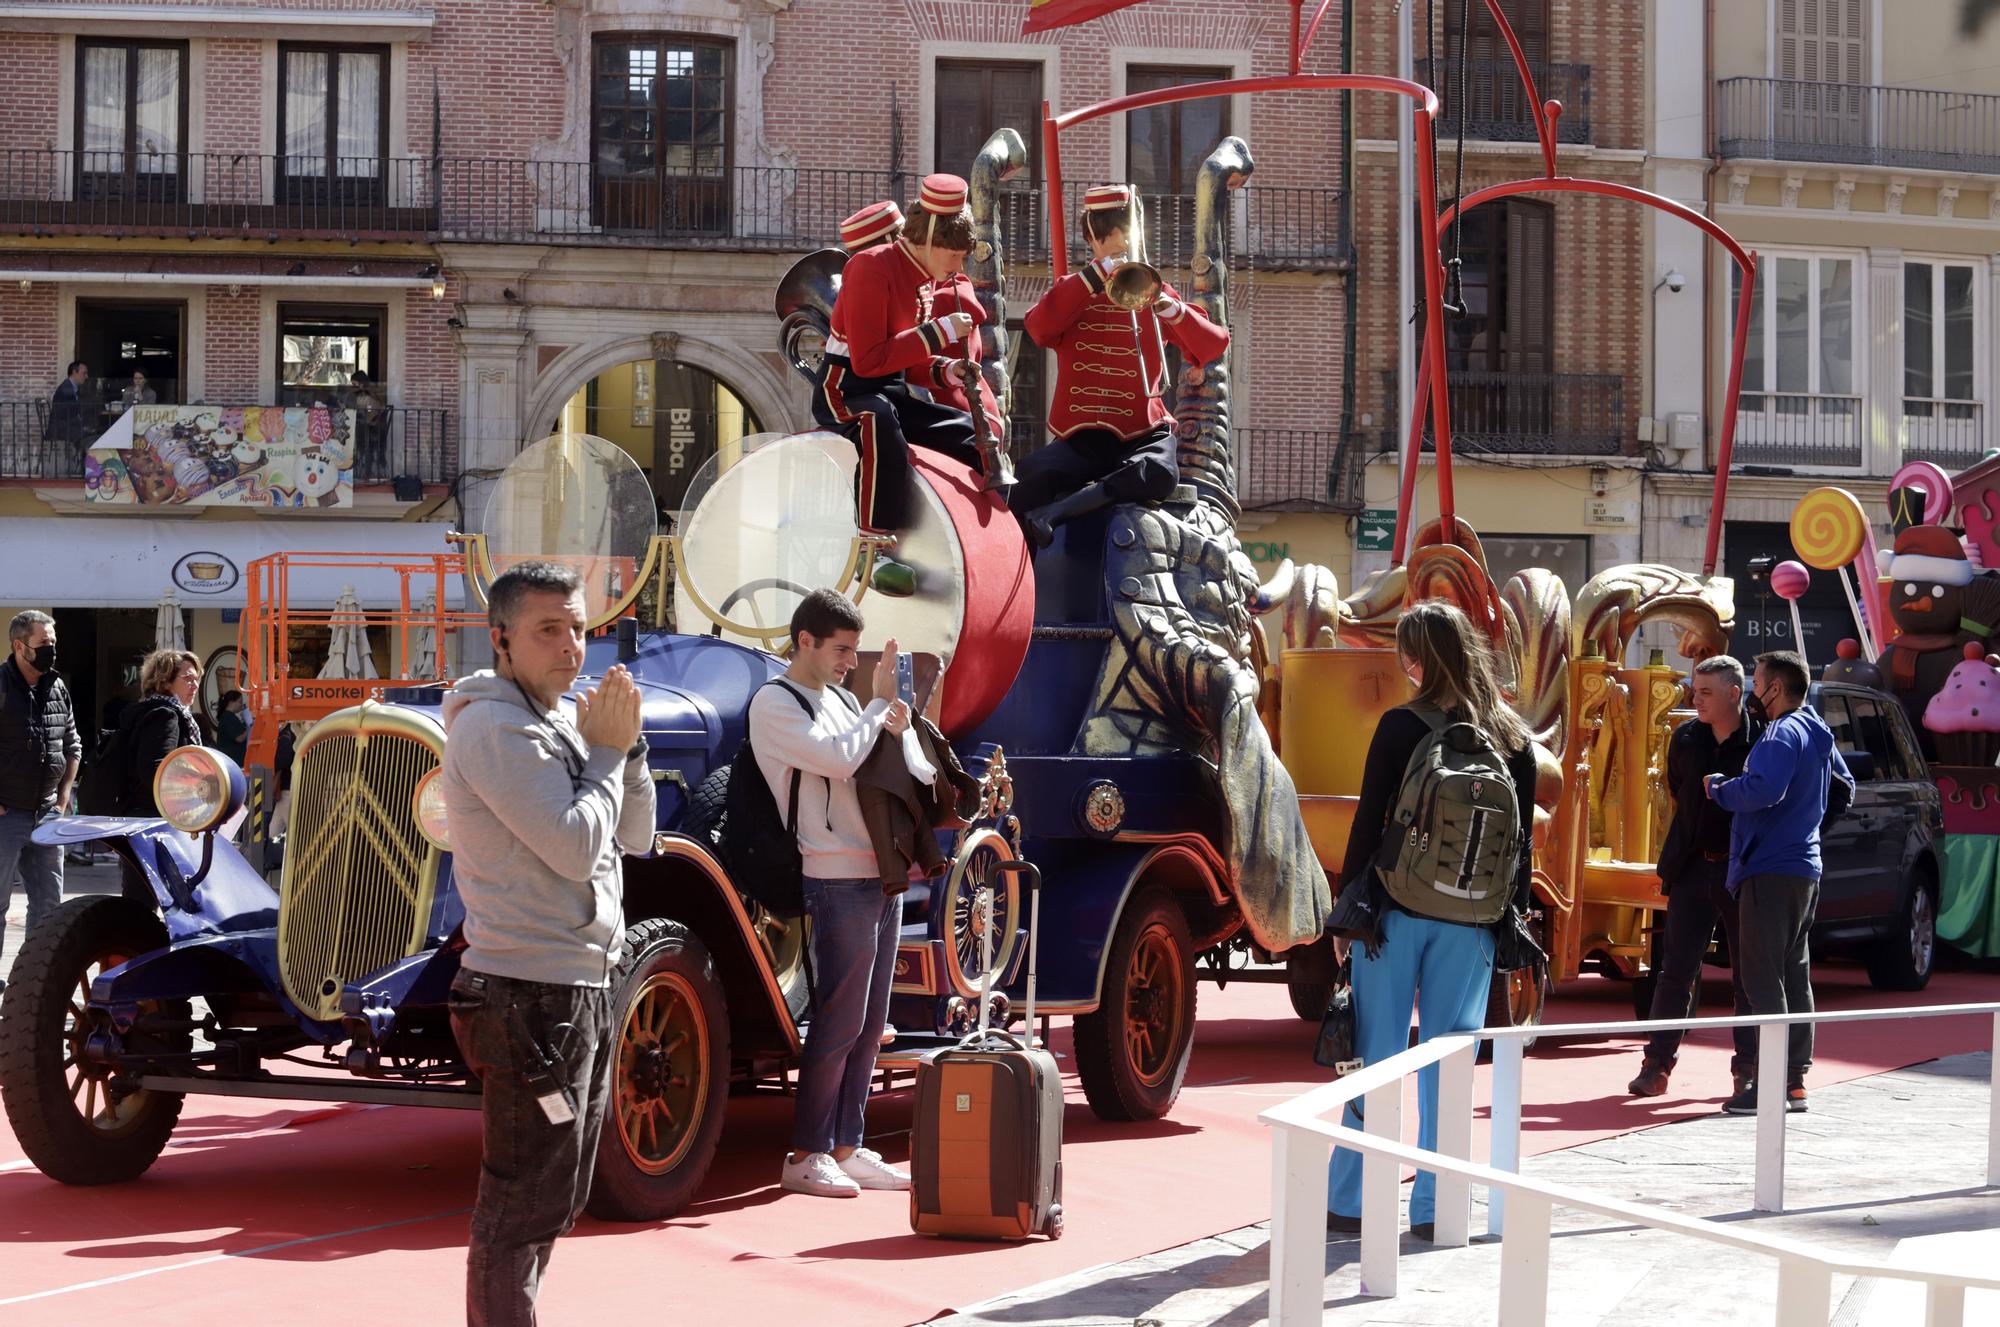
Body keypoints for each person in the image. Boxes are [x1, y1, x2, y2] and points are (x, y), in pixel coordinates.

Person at [438, 561, 655, 1327]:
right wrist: (603, 754)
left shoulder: (562, 716)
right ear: (500, 640)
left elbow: (633, 836)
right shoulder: (494, 725)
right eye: (548, 630)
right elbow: (570, 846)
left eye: (579, 628)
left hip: (571, 989)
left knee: (553, 1193)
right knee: (523, 1200)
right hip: (527, 998)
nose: (572, 646)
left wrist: (628, 750)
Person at [1325, 600, 1537, 1240]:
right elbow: (1521, 846)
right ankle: (1437, 1210)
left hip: (1393, 912)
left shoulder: (1399, 726)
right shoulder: (1513, 737)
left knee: (1379, 1055)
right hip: (1473, 919)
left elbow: (1368, 824)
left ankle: (1351, 1202)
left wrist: (1347, 916)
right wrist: (1510, 922)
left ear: (1418, 658)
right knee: (1451, 1062)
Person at [751, 588, 914, 1198]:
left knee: (870, 1020)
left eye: (854, 649)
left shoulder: (845, 700)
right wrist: (877, 708)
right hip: (834, 873)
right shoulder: (775, 703)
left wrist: (897, 719)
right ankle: (807, 1152)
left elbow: (892, 766)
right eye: (842, 649)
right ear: (806, 642)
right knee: (840, 1019)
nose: (850, 659)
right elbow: (839, 760)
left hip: (881, 869)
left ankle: (848, 1144)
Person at [811, 174, 996, 597]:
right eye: (955, 255)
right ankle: (869, 548)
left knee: (967, 436)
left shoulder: (923, 275)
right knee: (878, 422)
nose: (958, 267)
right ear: (931, 240)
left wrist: (944, 371)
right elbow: (869, 359)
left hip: (889, 391)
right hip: (846, 392)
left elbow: (902, 363)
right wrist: (938, 331)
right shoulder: (869, 267)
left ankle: (972, 545)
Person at [1015, 184, 1229, 547]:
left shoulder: (1155, 291)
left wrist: (1169, 307)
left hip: (1141, 432)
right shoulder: (1073, 291)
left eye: (1121, 233)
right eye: (1104, 236)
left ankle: (1057, 513)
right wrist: (1093, 277)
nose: (1114, 243)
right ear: (1092, 241)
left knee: (1159, 473)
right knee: (1028, 478)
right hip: (1083, 435)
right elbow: (1038, 328)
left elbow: (1212, 344)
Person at [1705, 650, 1854, 1116]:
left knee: (1761, 975)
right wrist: (1803, 829)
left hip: (1771, 868)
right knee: (1794, 971)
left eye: (1758, 681)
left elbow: (1763, 790)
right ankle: (1793, 1081)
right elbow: (1842, 789)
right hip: (1802, 867)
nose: (1753, 691)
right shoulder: (1818, 731)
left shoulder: (1781, 732)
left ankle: (1771, 1082)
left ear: (1776, 687)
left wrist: (1719, 788)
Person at [1627, 656, 1760, 1100]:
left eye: (1705, 692)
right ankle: (1656, 1065)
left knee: (1748, 978)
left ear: (1733, 693)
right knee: (1674, 971)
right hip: (1691, 867)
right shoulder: (1685, 738)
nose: (1694, 698)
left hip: (1743, 870)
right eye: (1693, 689)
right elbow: (1674, 786)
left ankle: (1748, 1070)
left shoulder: (1763, 738)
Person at [0, 611, 80, 983]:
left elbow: (73, 745)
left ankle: (34, 984)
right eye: (44, 644)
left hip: (48, 814)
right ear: (19, 646)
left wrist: (62, 801)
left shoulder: (57, 686)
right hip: (7, 816)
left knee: (49, 905)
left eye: (53, 643)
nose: (51, 650)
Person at [116, 650, 203, 819]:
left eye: (196, 679)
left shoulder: (147, 710)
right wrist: (195, 784)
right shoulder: (165, 716)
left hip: (141, 814)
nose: (195, 685)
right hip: (156, 818)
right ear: (165, 683)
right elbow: (155, 771)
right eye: (188, 679)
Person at [44, 361, 88, 466]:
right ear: (74, 372)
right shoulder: (66, 389)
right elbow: (69, 413)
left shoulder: (70, 387)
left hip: (65, 426)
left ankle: (80, 466)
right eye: (84, 373)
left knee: (87, 434)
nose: (86, 376)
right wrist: (83, 426)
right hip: (60, 428)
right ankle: (82, 468)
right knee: (87, 436)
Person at [351, 370, 388, 483]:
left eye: (354, 384)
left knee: (356, 439)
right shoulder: (362, 396)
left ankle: (361, 470)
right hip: (366, 429)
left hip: (372, 432)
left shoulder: (370, 398)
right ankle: (359, 469)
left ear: (361, 384)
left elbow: (371, 417)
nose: (352, 387)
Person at [214, 689, 250, 767]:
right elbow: (239, 738)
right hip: (233, 761)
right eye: (239, 702)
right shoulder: (228, 717)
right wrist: (250, 726)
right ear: (231, 702)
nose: (241, 705)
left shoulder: (228, 717)